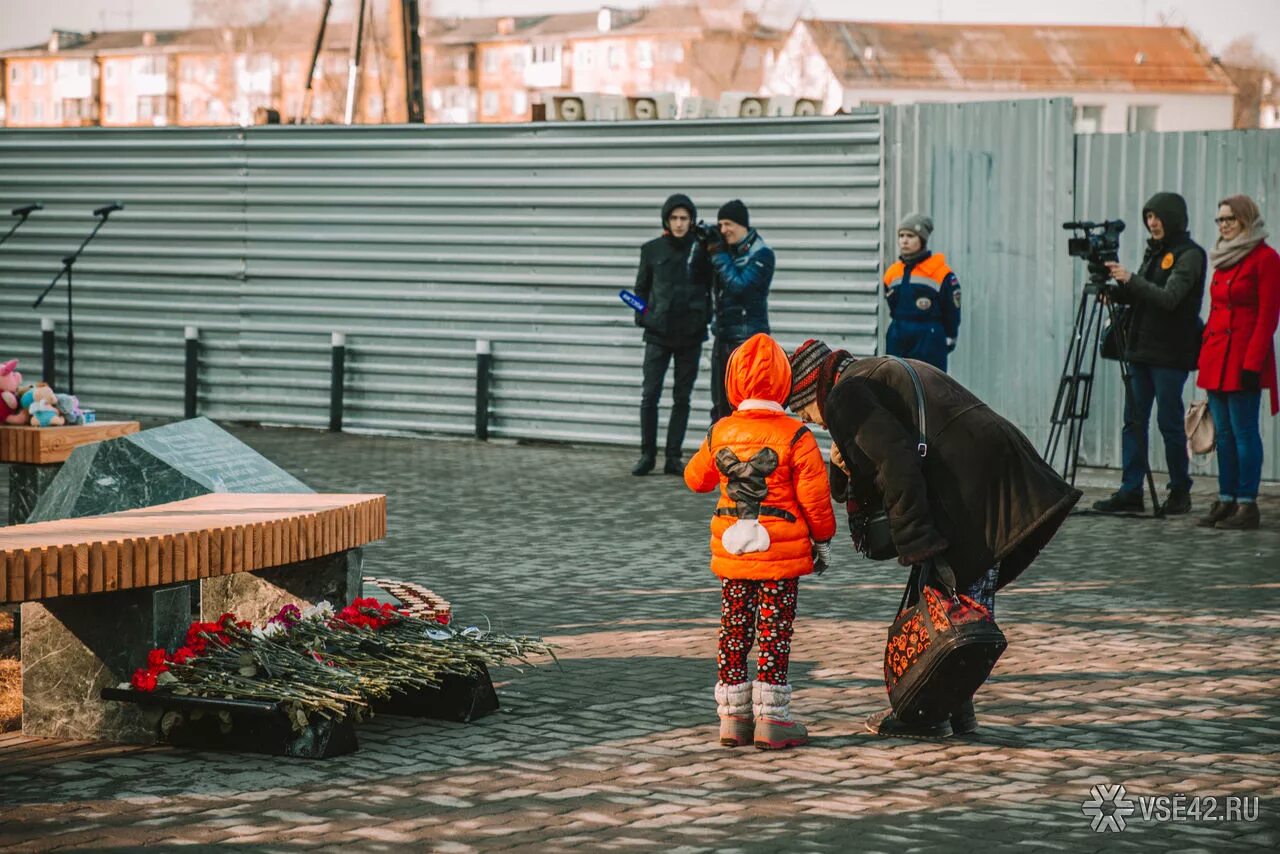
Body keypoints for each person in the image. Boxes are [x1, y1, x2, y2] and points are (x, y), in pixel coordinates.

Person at [786, 339, 1082, 737]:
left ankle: (925, 715)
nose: (813, 423)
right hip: (991, 473)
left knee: (954, 607)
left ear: (812, 391)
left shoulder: (844, 396)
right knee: (955, 608)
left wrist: (915, 540)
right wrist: (843, 465)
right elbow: (873, 466)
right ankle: (952, 711)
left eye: (804, 411)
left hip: (973, 487)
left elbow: (895, 461)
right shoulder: (872, 372)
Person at [684, 333, 836, 751]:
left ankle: (733, 717)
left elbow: (695, 479)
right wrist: (822, 540)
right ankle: (772, 719)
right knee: (774, 633)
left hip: (734, 555)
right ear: (784, 384)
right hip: (781, 558)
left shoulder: (721, 432)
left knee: (733, 630)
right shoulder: (797, 436)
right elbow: (816, 499)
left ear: (733, 381)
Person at [1094, 191, 1207, 515]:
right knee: (1133, 421)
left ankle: (1179, 491)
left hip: (1170, 354)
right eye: (1148, 218)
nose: (1152, 223)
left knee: (1169, 423)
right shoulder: (1155, 253)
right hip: (1141, 350)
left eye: (1157, 217)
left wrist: (1131, 279)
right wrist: (1117, 294)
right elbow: (1145, 296)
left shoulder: (1190, 255)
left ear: (1172, 218)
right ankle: (1131, 490)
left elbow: (1169, 298)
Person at [1195, 194, 1280, 530]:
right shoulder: (1223, 258)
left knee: (1244, 433)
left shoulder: (1266, 259)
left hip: (1244, 359)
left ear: (1246, 219)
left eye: (1230, 219)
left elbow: (1267, 316)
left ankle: (1247, 504)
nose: (1224, 225)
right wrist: (1203, 355)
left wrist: (1253, 363)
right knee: (1225, 435)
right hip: (1217, 358)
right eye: (1220, 220)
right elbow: (1214, 312)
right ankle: (1227, 498)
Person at [631, 193, 712, 476]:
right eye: (675, 218)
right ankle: (647, 456)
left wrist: (705, 317)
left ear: (691, 221)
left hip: (690, 335)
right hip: (657, 335)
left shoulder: (702, 249)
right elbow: (639, 291)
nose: (679, 223)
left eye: (684, 218)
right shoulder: (651, 250)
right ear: (667, 220)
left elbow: (711, 287)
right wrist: (644, 316)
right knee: (649, 395)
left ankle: (673, 457)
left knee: (682, 397)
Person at [698, 199, 775, 425]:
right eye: (720, 225)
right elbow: (695, 277)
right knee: (719, 406)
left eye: (728, 224)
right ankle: (720, 456)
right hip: (722, 338)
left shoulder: (762, 254)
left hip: (747, 341)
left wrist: (718, 254)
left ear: (743, 225)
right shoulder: (725, 251)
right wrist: (701, 246)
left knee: (746, 405)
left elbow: (740, 287)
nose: (723, 230)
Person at [883, 213, 961, 372]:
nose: (904, 240)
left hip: (929, 341)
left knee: (930, 389)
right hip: (898, 338)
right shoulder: (893, 273)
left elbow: (952, 311)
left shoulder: (942, 273)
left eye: (910, 236)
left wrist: (948, 338)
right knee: (895, 386)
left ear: (922, 240)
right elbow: (892, 305)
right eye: (901, 235)